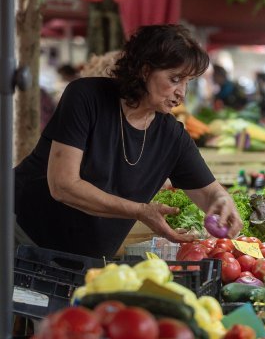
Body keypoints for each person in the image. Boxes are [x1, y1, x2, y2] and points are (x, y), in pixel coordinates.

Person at [14, 24, 243, 259]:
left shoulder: (172, 136)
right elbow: (63, 185)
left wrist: (222, 201)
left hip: (81, 260)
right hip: (20, 235)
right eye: (175, 79)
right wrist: (140, 211)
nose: (181, 93)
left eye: (188, 82)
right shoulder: (85, 97)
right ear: (145, 71)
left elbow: (208, 193)